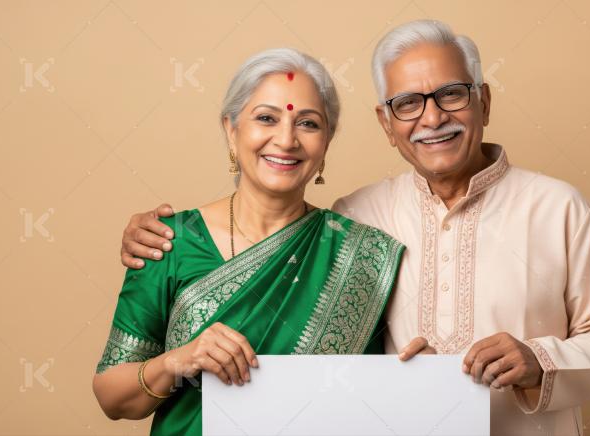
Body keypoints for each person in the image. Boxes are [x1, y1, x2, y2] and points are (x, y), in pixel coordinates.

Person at [120, 20, 590, 435]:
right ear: (386, 124)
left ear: (483, 100)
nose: (432, 118)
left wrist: (538, 360)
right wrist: (151, 232)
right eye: (407, 104)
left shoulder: (558, 208)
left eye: (452, 94)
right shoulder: (355, 217)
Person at [92, 48, 404, 436]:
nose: (286, 139)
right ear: (231, 128)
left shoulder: (363, 255)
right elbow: (112, 398)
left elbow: (370, 402)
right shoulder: (170, 242)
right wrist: (179, 361)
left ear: (326, 143)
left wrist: (416, 377)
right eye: (266, 118)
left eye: (308, 123)